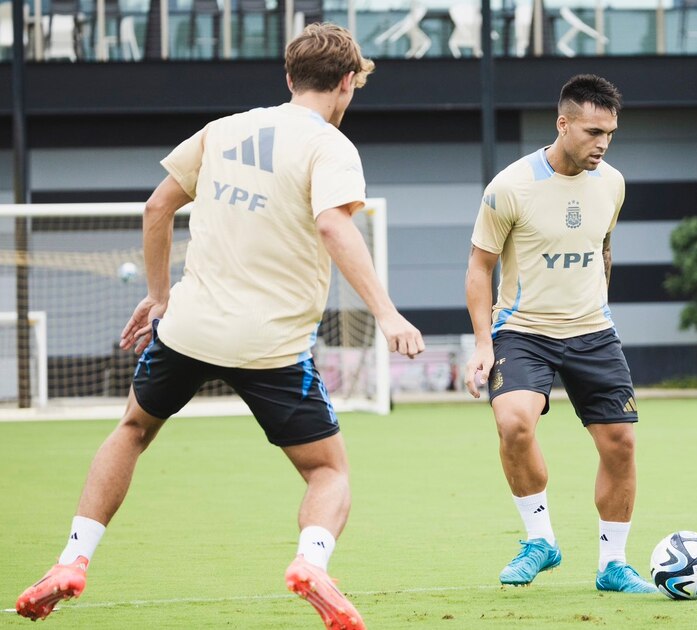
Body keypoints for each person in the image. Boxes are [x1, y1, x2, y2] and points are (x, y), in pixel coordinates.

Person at [14, 23, 424, 629]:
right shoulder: (332, 147)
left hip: (188, 329)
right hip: (272, 347)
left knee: (131, 430)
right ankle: (312, 564)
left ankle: (73, 560)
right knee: (326, 469)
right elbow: (336, 227)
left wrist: (159, 299)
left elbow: (157, 207)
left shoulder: (223, 129)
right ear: (345, 83)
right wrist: (386, 312)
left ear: (288, 78)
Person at [464, 74, 656, 594]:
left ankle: (613, 565)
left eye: (611, 133)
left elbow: (603, 248)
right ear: (562, 123)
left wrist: (601, 307)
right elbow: (479, 268)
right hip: (524, 332)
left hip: (594, 333)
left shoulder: (612, 183)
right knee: (514, 424)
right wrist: (484, 343)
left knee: (620, 444)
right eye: (593, 131)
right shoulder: (509, 187)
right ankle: (540, 541)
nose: (603, 144)